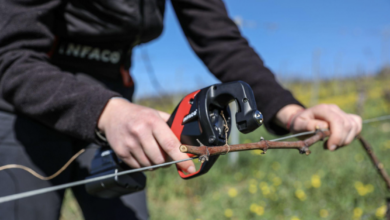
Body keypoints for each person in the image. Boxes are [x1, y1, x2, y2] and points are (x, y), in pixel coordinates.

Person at [0, 0, 361, 219]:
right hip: (28, 104)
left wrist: (290, 111)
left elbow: (220, 38)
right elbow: (10, 55)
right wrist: (106, 112)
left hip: (118, 103)